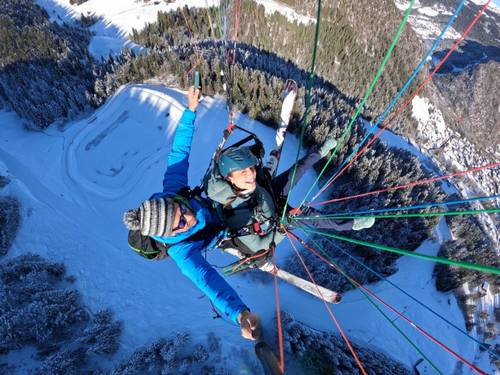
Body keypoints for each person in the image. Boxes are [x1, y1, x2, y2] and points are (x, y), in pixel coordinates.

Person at [123, 87, 260, 340]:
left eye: (182, 209)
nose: (188, 216)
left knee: (237, 174)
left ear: (174, 200)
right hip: (222, 230)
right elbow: (208, 281)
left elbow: (179, 153)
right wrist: (240, 314)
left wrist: (190, 110)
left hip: (213, 203)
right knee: (260, 226)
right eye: (182, 223)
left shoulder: (173, 191)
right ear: (170, 235)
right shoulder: (182, 252)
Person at [204, 138, 375, 258]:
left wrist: (254, 152)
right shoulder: (237, 217)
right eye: (244, 172)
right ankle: (352, 224)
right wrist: (281, 229)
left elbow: (230, 161)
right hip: (277, 216)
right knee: (314, 219)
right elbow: (259, 246)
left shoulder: (225, 173)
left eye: (251, 168)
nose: (251, 174)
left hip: (267, 193)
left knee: (296, 171)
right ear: (230, 178)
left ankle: (320, 152)